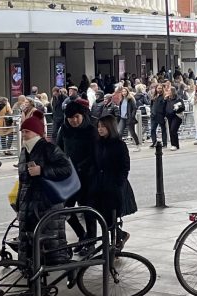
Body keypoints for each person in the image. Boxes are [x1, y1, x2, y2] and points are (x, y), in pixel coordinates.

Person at [14, 109, 75, 267]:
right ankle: (31, 270)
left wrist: (42, 170)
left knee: (50, 243)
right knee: (29, 242)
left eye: (27, 131)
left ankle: (49, 270)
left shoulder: (48, 148)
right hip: (28, 204)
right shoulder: (25, 151)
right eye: (23, 131)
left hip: (47, 204)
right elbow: (23, 181)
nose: (24, 135)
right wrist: (18, 203)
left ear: (36, 133)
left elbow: (66, 169)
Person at [53, 98, 99, 243]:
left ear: (82, 115)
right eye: (70, 118)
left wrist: (81, 166)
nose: (73, 120)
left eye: (76, 117)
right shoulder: (64, 129)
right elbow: (59, 149)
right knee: (66, 209)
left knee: (87, 210)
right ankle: (82, 235)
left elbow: (95, 154)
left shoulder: (91, 129)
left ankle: (90, 241)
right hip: (70, 176)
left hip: (87, 176)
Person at [89, 110, 135, 249]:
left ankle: (115, 240)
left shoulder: (119, 145)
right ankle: (117, 237)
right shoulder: (98, 143)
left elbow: (124, 166)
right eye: (99, 126)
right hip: (99, 184)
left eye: (103, 126)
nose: (100, 129)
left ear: (110, 127)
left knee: (111, 214)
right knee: (98, 212)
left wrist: (118, 182)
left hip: (113, 185)